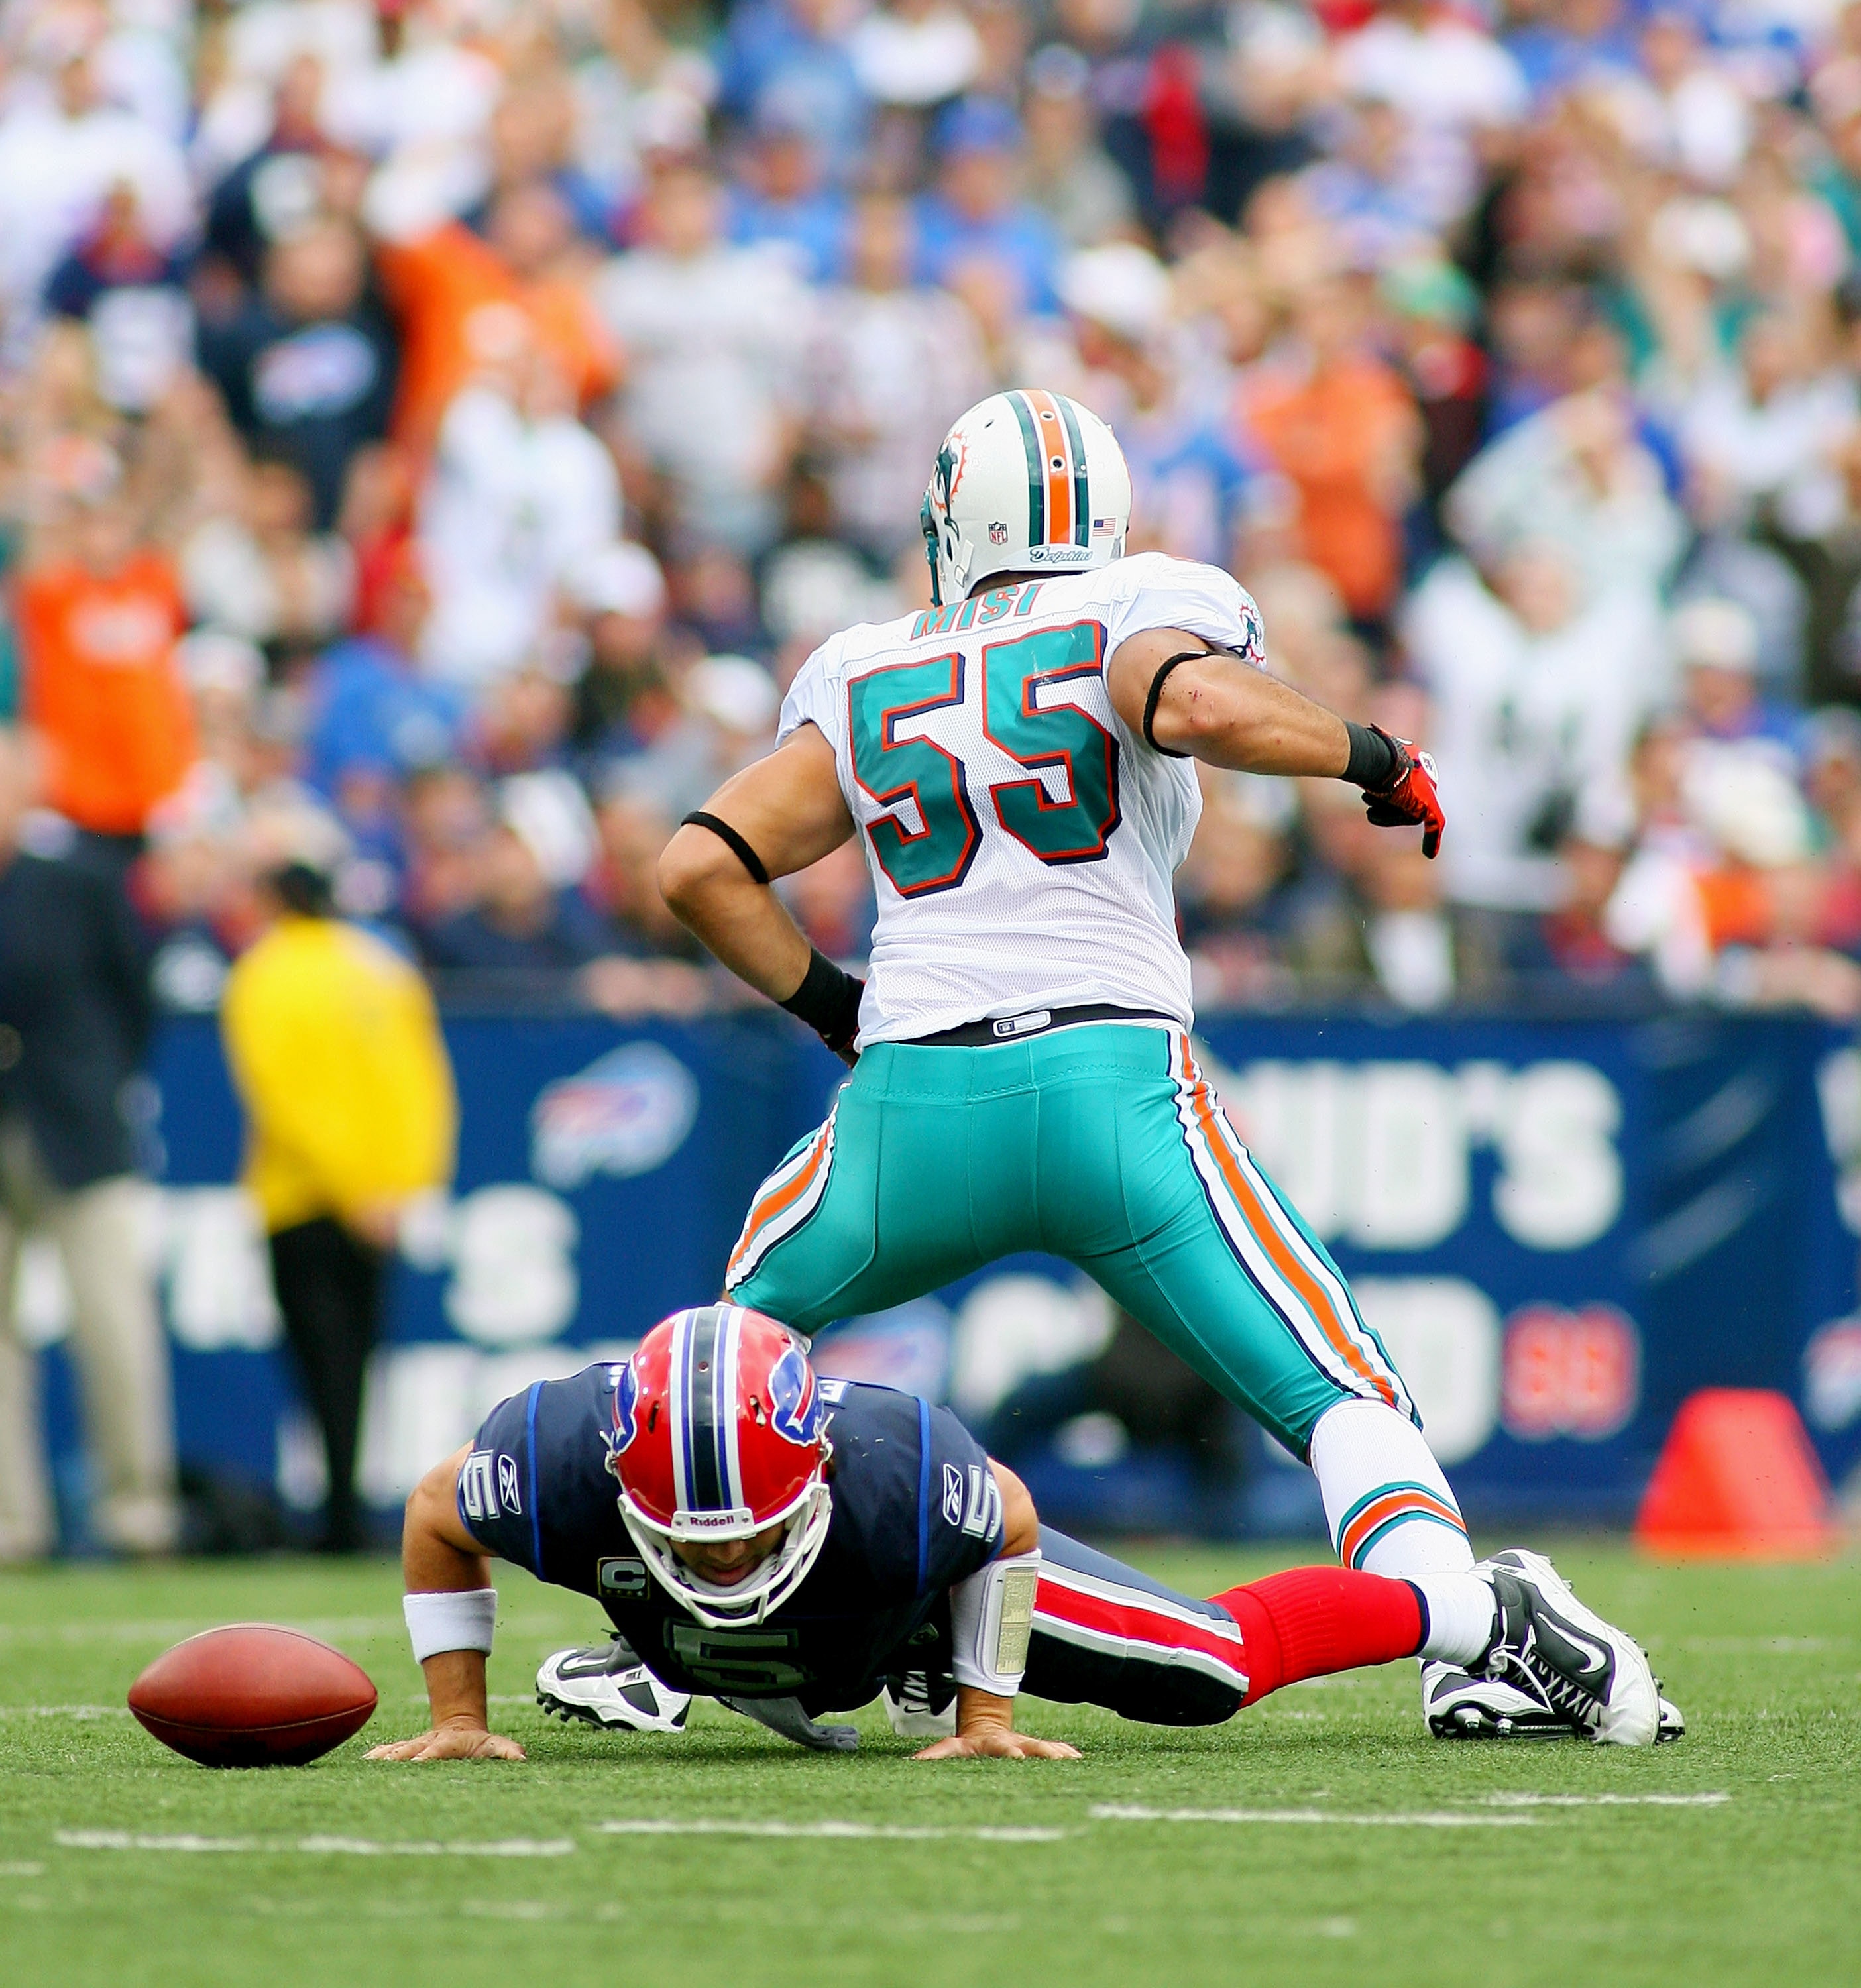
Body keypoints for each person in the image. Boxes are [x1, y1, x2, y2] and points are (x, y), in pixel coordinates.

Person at [653, 388, 1682, 1743]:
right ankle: (1461, 1632)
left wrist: (842, 1011)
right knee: (1340, 1391)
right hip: (1110, 1092)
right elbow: (1190, 700)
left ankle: (652, 1659)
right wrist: (1374, 756)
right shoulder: (1141, 595)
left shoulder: (863, 662)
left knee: (708, 1385)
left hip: (911, 1109)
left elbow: (698, 868)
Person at [367, 1307, 1667, 1762]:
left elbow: (1012, 1523)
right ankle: (663, 1662)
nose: (718, 1556)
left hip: (927, 1593)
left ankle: (1483, 1607)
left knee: (1205, 1676)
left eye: (742, 1536)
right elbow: (437, 1516)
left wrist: (985, 1712)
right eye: (686, 1542)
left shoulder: (896, 1478)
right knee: (735, 1626)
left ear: (811, 1472)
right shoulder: (548, 1461)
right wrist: (458, 1712)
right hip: (826, 1623)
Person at [220, 817, 457, 1551]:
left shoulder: (264, 973)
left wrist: (347, 1186)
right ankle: (346, 1510)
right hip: (379, 1204)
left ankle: (338, 1517)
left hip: (304, 1199)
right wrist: (398, 1186)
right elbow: (424, 1084)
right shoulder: (381, 966)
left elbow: (280, 1097)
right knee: (358, 1358)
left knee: (316, 1359)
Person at [0, 726, 178, 1560]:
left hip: (78, 1125)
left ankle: (137, 1513)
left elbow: (134, 998)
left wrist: (98, 1080)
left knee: (114, 1322)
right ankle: (13, 1523)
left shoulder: (76, 879)